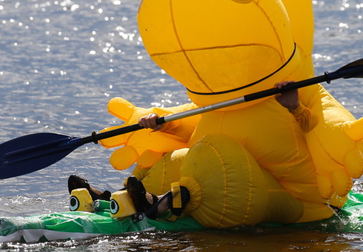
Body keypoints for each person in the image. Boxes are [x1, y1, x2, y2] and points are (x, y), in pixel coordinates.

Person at [68, 81, 315, 219]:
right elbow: (188, 122)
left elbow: (316, 133)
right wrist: (161, 123)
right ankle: (116, 198)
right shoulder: (221, 96)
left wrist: (294, 106)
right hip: (202, 165)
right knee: (160, 155)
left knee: (209, 160)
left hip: (267, 185)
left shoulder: (294, 92)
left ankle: (160, 200)